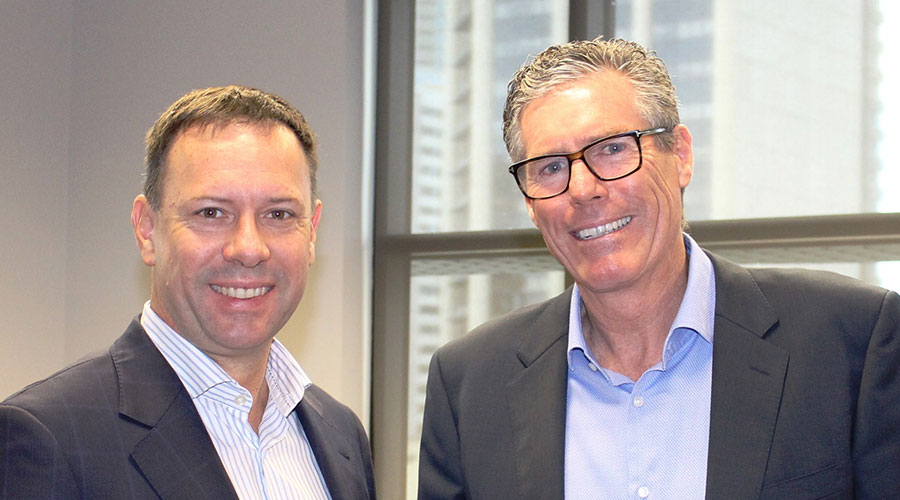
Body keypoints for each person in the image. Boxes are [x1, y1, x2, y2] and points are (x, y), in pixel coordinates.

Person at [417, 38, 900, 499]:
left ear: (681, 155)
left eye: (611, 148)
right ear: (529, 201)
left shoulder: (851, 339)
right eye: (549, 167)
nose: (583, 189)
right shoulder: (467, 384)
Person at [0, 86, 376, 499]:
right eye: (211, 213)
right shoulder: (49, 436)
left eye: (279, 214)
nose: (248, 248)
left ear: (312, 233)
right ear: (147, 229)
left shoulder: (342, 437)